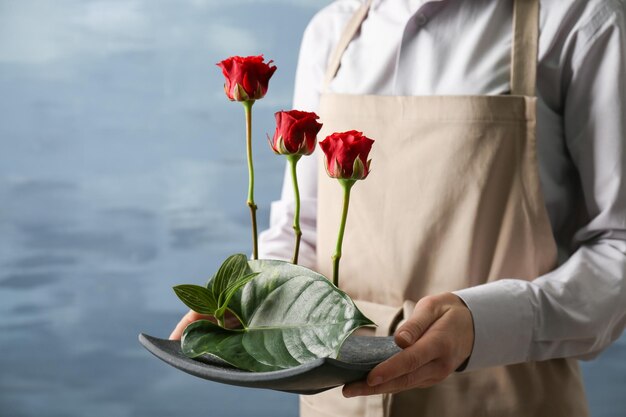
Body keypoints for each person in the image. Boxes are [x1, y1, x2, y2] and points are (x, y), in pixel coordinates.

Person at [172, 0, 626, 415]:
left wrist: (484, 324)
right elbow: (305, 226)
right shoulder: (332, 32)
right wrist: (254, 294)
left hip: (506, 399)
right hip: (337, 401)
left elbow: (618, 244)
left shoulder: (580, 20)